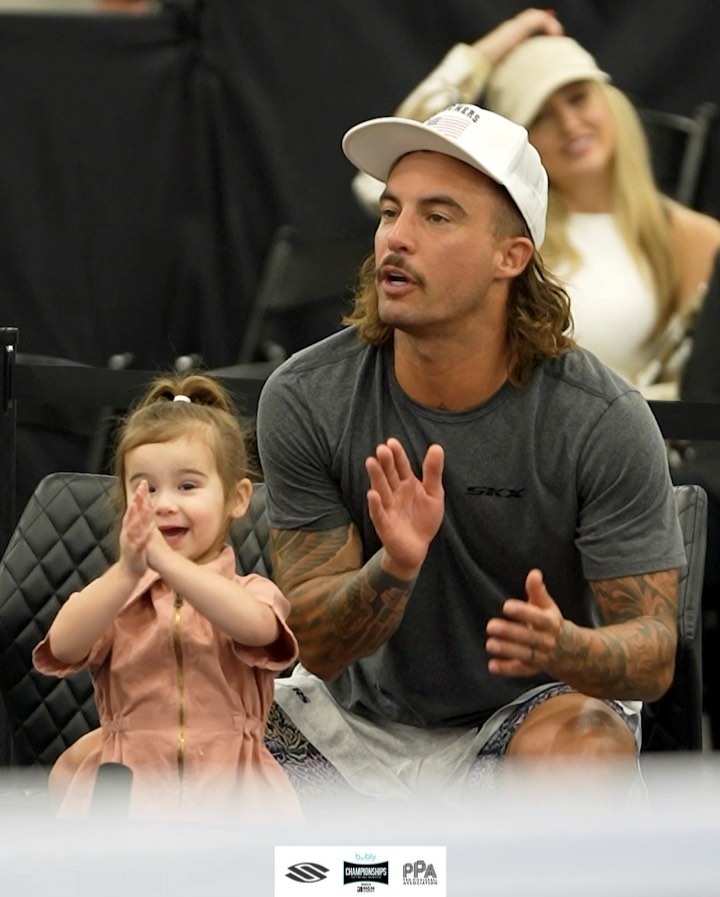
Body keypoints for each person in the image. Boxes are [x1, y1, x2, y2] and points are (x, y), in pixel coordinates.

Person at [253, 102, 686, 802]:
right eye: (391, 211)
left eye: (437, 217)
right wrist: (393, 567)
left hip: (524, 716)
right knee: (183, 751)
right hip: (346, 726)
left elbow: (654, 656)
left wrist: (567, 648)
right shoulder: (307, 395)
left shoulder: (601, 417)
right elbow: (316, 645)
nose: (396, 238)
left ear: (510, 256)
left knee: (585, 749)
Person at [352, 8, 720, 398]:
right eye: (541, 115)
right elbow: (374, 182)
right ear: (518, 145)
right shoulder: (502, 233)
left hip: (634, 430)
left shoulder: (686, 235)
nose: (570, 124)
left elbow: (696, 384)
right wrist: (480, 57)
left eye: (579, 99)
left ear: (611, 103)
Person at [33, 373, 301, 820]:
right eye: (146, 488)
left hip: (235, 800)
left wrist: (171, 567)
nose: (164, 504)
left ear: (237, 498)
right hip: (126, 801)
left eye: (188, 486)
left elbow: (258, 628)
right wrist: (127, 574)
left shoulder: (250, 591)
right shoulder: (116, 596)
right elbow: (62, 644)